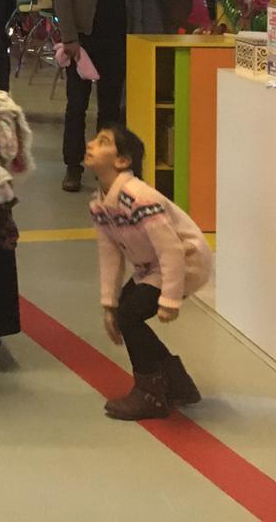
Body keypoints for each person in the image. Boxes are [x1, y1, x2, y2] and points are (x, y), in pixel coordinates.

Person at [86, 124, 211, 420]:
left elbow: (172, 250)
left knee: (130, 316)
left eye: (103, 142)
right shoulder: (101, 203)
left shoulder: (139, 198)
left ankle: (151, 393)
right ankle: (177, 384)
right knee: (124, 313)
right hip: (152, 267)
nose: (90, 144)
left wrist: (170, 298)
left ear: (122, 161)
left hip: (186, 262)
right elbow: (109, 253)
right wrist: (109, 303)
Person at [52, 0, 141, 193]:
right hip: (83, 42)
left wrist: (135, 36)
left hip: (117, 40)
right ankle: (73, 166)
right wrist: (69, 37)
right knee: (77, 106)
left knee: (110, 109)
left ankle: (106, 167)